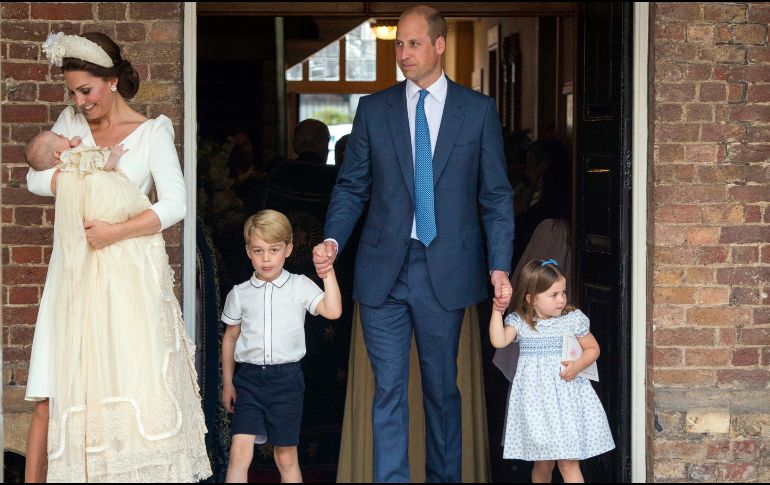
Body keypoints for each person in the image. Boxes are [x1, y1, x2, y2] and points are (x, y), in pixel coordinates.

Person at [313, 5, 514, 482]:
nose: (403, 53)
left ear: (439, 45)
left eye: (414, 43)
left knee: (442, 391)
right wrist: (333, 238)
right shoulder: (374, 109)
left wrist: (500, 265)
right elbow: (352, 186)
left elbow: (496, 196)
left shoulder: (477, 111)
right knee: (387, 392)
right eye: (399, 44)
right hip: (383, 270)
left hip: (445, 269)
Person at [25, 31, 211, 482]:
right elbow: (35, 177)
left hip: (123, 277)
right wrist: (78, 179)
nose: (79, 102)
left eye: (86, 90)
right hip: (72, 275)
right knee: (50, 393)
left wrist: (115, 231)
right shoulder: (70, 124)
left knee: (124, 386)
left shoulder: (152, 132)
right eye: (73, 93)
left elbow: (175, 204)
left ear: (111, 81)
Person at [220, 210, 342, 483]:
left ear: (288, 249)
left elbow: (333, 310)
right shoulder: (239, 293)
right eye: (258, 250)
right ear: (248, 251)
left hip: (287, 381)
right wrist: (228, 382)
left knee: (286, 456)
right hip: (249, 380)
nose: (266, 258)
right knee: (239, 453)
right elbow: (230, 337)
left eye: (274, 250)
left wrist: (327, 271)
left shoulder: (300, 285)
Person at [489, 259, 615, 483]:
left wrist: (577, 366)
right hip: (537, 404)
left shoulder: (572, 320)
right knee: (543, 462)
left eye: (563, 292)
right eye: (553, 295)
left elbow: (593, 348)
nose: (561, 299)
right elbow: (499, 341)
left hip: (567, 402)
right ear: (531, 299)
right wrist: (497, 311)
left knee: (568, 462)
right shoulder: (521, 322)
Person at [25, 130, 126, 172]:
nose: (63, 135)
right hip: (106, 167)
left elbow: (83, 154)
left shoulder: (66, 164)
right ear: (58, 154)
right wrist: (113, 155)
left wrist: (79, 144)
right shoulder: (71, 159)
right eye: (59, 136)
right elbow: (98, 166)